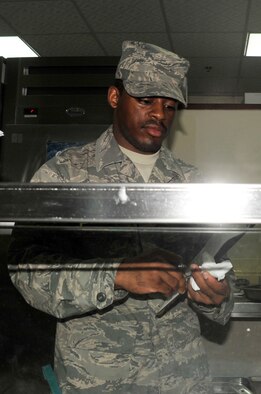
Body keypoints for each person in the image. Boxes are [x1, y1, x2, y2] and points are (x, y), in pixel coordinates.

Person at [8, 41, 234, 394]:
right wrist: (116, 275)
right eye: (146, 101)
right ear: (115, 97)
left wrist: (217, 298)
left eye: (170, 105)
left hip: (182, 378)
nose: (160, 114)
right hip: (100, 379)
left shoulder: (191, 183)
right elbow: (27, 273)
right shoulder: (65, 175)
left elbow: (214, 265)